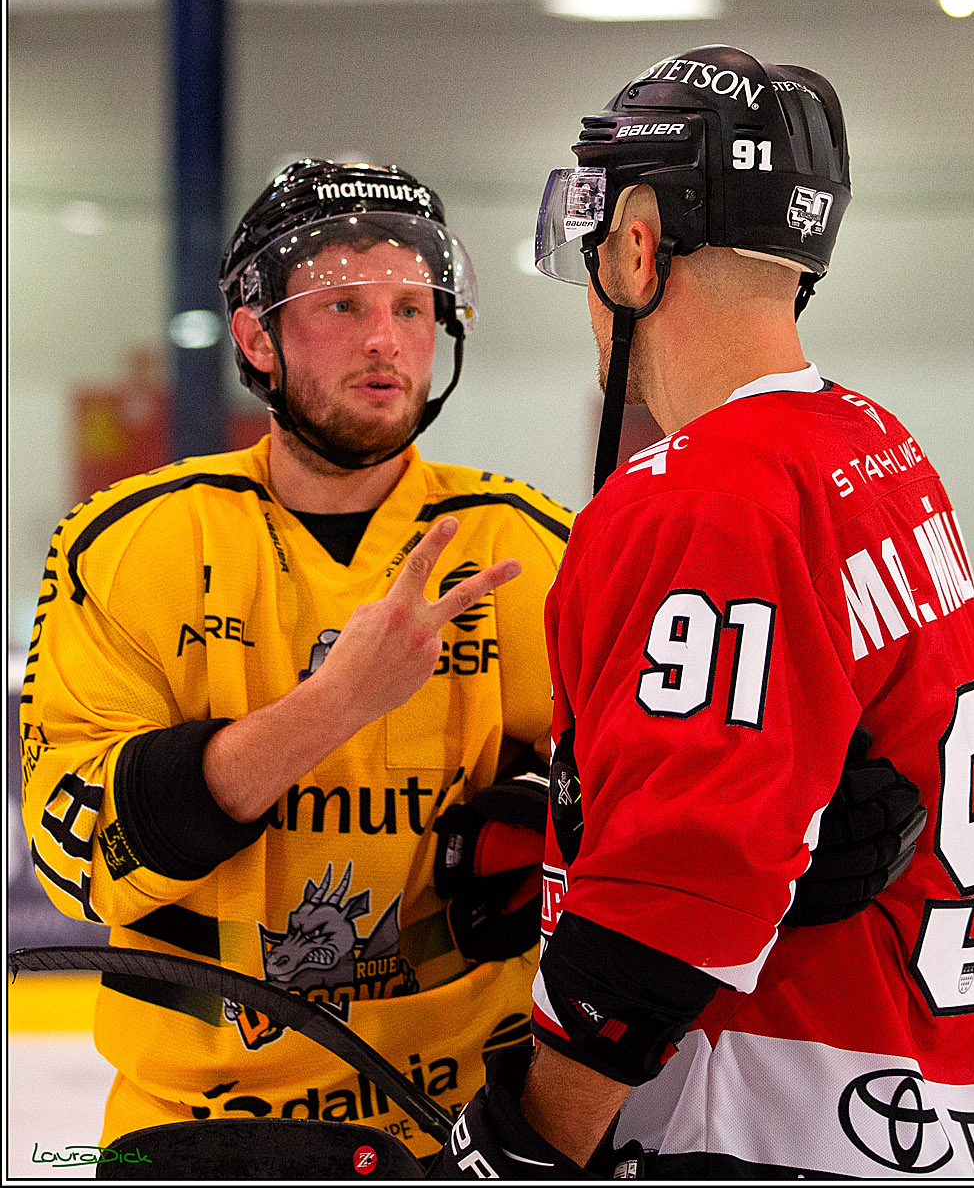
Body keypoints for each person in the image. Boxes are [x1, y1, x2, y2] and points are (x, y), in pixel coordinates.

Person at [437, 46, 974, 1180]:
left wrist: (526, 1141)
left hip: (761, 1122)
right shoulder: (877, 447)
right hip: (939, 1106)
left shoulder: (698, 497)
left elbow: (676, 893)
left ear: (639, 245)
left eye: (598, 244)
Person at [20, 160, 571, 1162]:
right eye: (344, 304)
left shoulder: (527, 549)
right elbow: (79, 854)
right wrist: (334, 706)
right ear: (254, 335)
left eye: (413, 307)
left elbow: (637, 806)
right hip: (195, 1119)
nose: (384, 339)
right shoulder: (131, 543)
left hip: (462, 1111)